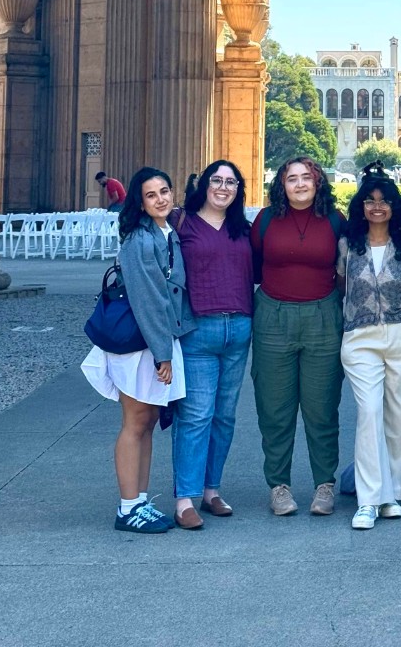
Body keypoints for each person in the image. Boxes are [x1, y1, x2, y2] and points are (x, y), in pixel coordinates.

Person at [81, 167, 195, 533]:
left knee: (146, 423)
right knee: (134, 423)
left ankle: (140, 500)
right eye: (151, 194)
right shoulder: (138, 240)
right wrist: (163, 354)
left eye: (165, 190)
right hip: (139, 344)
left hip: (156, 340)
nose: (161, 198)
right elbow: (148, 300)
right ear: (139, 202)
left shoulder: (166, 232)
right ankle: (128, 507)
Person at [250, 157, 345, 517]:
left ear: (319, 182)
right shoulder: (266, 221)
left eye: (307, 177)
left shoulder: (335, 221)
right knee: (275, 408)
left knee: (322, 408)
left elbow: (344, 268)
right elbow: (253, 264)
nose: (301, 184)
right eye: (292, 179)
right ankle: (279, 486)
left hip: (323, 316)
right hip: (273, 316)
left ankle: (325, 485)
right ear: (282, 185)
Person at [338, 164, 401, 530]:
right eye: (370, 200)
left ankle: (394, 493)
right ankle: (369, 499)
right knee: (370, 412)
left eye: (384, 201)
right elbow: (336, 283)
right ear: (361, 205)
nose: (377, 207)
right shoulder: (346, 246)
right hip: (359, 338)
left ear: (394, 207)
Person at [170, 159, 253, 530]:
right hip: (198, 329)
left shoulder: (244, 229)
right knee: (196, 414)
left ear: (238, 190)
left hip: (238, 328)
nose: (224, 187)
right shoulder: (181, 223)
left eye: (231, 182)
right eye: (217, 180)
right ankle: (184, 497)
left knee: (224, 416)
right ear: (204, 185)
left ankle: (211, 489)